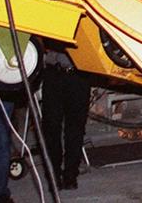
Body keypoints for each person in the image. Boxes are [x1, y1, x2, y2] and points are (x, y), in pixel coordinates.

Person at [39, 48, 90, 190]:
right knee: (51, 126)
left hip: (78, 74)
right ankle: (53, 173)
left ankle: (71, 175)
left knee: (75, 128)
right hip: (53, 74)